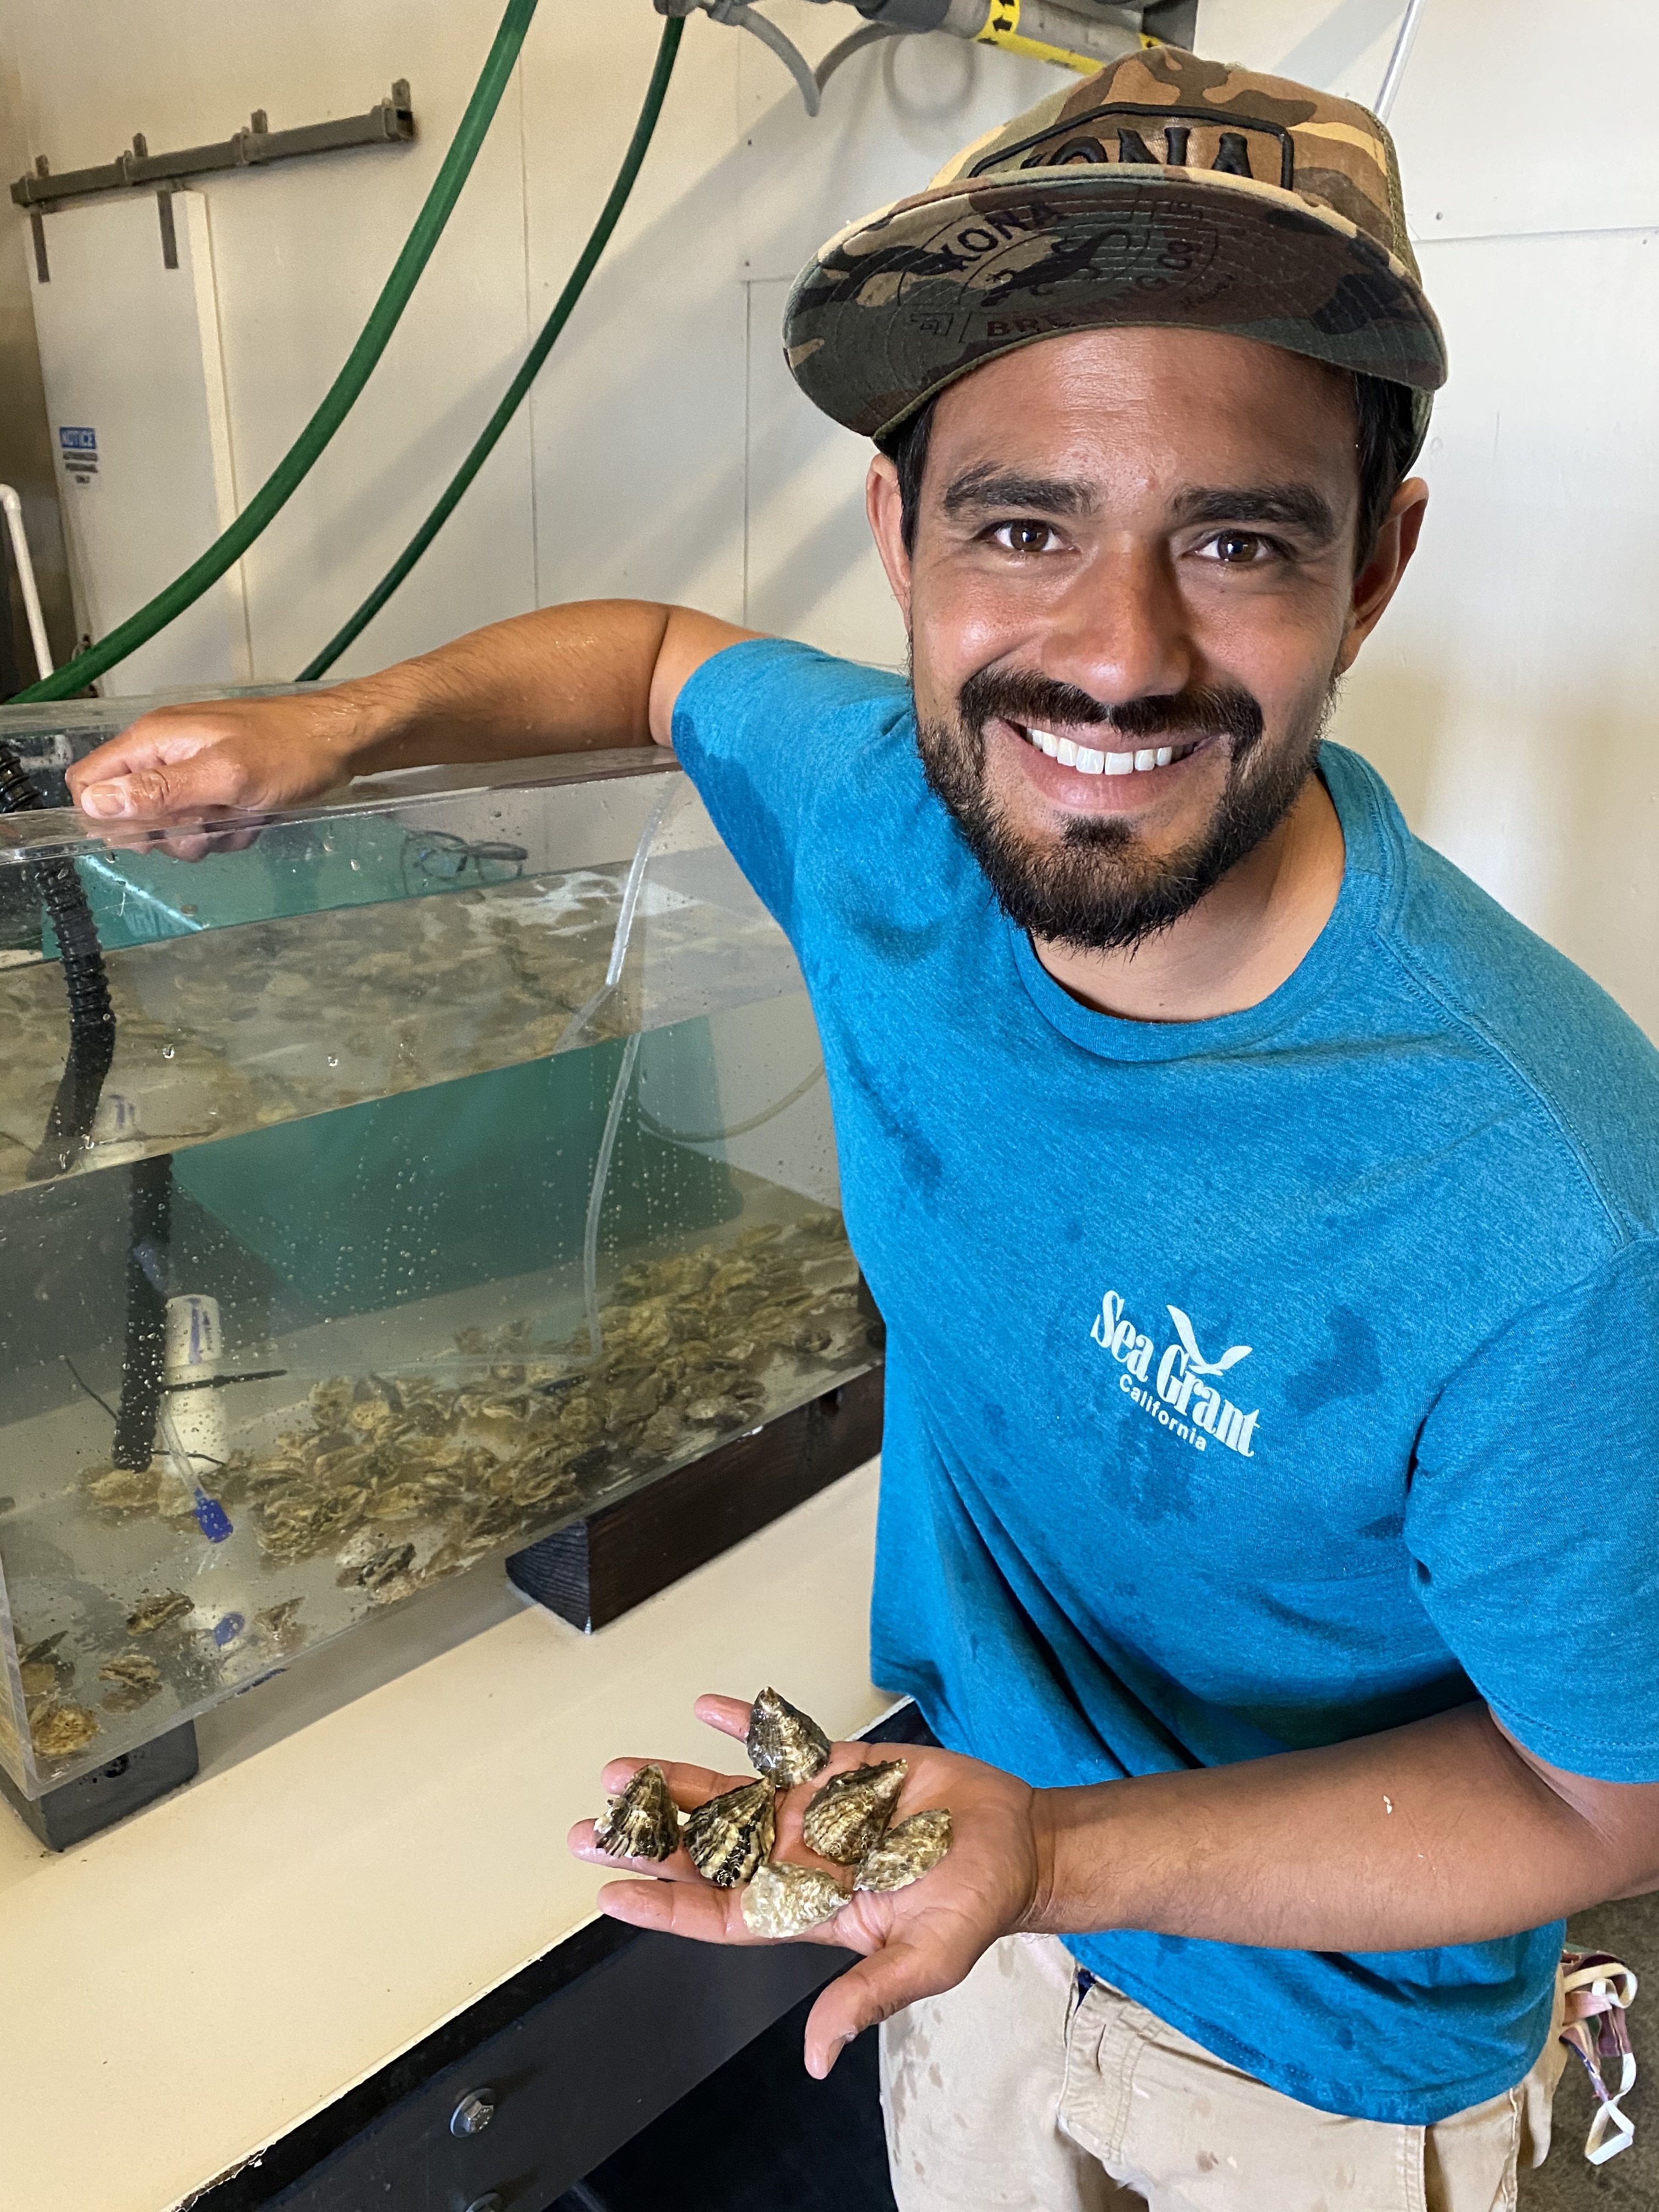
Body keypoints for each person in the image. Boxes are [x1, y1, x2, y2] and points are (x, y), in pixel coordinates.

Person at [70, 47, 1657, 2212]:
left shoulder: (1542, 1211)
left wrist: (1073, 1850)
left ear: (1374, 567)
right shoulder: (882, 819)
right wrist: (332, 731)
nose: (1117, 658)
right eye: (1026, 525)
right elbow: (644, 661)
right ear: (900, 542)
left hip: (1314, 2063)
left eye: (1238, 538)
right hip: (967, 1913)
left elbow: (1602, 1809)